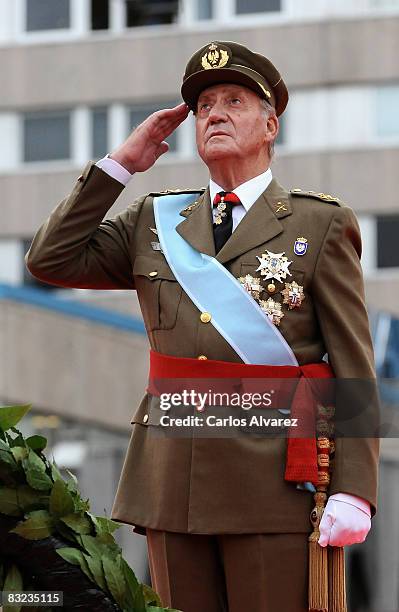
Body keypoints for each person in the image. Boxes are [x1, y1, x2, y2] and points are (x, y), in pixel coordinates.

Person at [26, 41, 379, 612]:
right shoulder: (155, 219)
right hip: (173, 484)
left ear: (271, 127)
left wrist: (355, 489)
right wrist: (123, 165)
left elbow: (354, 364)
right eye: (204, 105)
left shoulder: (320, 222)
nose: (214, 113)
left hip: (275, 488)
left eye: (233, 101)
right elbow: (50, 259)